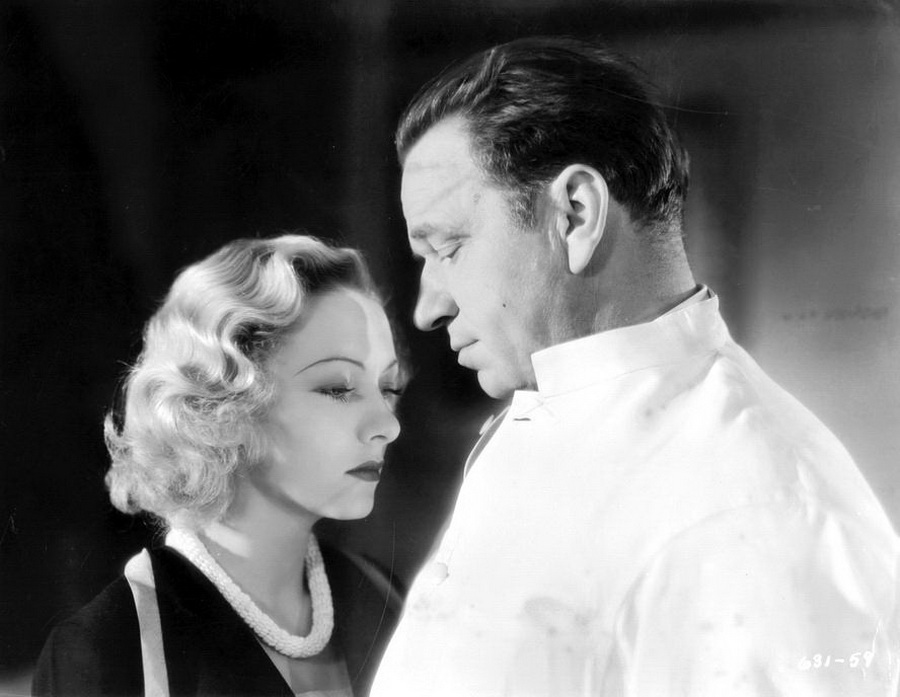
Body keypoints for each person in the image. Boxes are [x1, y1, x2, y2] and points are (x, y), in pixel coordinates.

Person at [371, 36, 900, 696]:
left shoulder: (756, 510)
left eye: (448, 247)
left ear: (576, 214)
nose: (427, 309)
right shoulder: (557, 408)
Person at [34, 235, 406, 697]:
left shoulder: (385, 596)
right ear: (227, 404)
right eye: (338, 388)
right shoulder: (114, 648)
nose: (387, 425)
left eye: (388, 389)